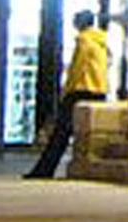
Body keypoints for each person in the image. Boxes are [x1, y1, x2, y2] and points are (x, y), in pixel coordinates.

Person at [23, 10, 109, 179]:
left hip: (81, 89)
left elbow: (77, 68)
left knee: (60, 133)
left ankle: (44, 170)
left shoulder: (84, 40)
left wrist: (66, 90)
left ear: (80, 23)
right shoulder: (101, 41)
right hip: (99, 90)